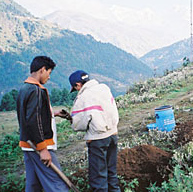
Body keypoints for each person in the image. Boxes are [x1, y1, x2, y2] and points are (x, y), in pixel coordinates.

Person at [60, 70, 120, 192]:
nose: (76, 90)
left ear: (78, 84)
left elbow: (78, 124)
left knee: (99, 179)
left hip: (98, 140)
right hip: (113, 135)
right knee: (112, 174)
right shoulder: (104, 88)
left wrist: (70, 118)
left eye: (75, 88)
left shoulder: (83, 97)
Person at [16, 56, 69, 192]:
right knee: (57, 184)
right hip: (39, 146)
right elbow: (33, 121)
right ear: (42, 70)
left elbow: (30, 116)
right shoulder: (36, 91)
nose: (49, 77)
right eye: (49, 73)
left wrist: (54, 113)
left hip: (28, 145)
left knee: (33, 185)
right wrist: (43, 149)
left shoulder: (24, 89)